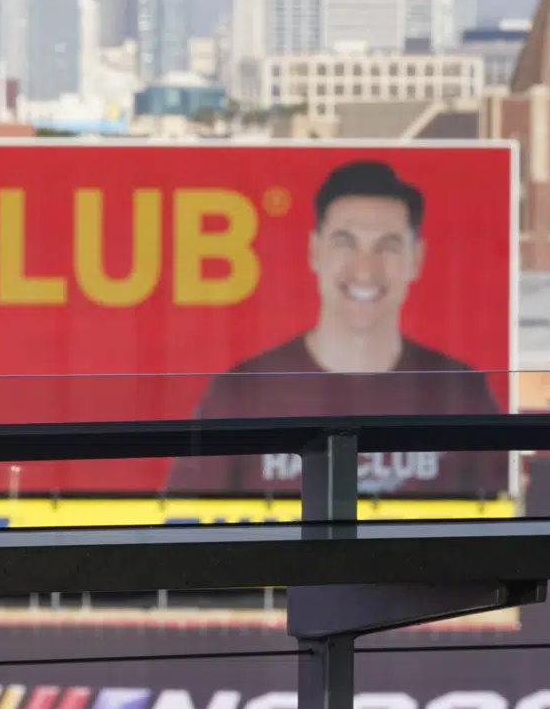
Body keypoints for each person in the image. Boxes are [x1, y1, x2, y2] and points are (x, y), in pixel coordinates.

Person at [166, 158, 501, 497]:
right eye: (345, 242)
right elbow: (181, 528)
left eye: (388, 246)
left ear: (416, 259)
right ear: (315, 251)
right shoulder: (242, 393)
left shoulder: (460, 393)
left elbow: (505, 529)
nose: (365, 269)